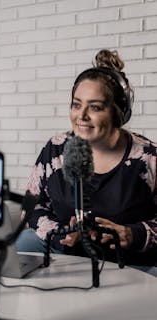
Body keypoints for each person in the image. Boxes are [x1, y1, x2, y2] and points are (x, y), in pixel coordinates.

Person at [16, 49, 157, 270]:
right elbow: (32, 207)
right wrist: (59, 233)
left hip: (129, 260)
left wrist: (133, 234)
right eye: (76, 104)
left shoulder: (149, 157)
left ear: (118, 112)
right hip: (66, 252)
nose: (81, 116)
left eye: (95, 107)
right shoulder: (56, 149)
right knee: (22, 243)